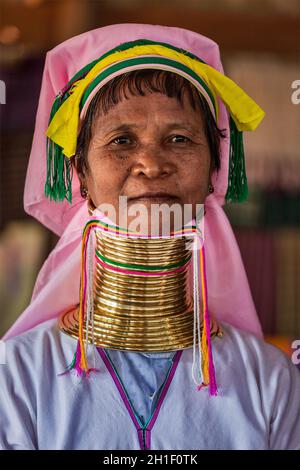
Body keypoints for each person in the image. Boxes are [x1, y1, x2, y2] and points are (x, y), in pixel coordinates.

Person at [0, 23, 299, 450]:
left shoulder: (270, 380)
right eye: (121, 140)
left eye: (179, 138)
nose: (151, 164)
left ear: (214, 170)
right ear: (80, 173)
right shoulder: (17, 377)